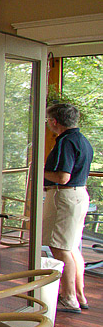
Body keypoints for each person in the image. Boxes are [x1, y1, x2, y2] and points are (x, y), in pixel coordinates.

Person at [43, 102, 94, 313]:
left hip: (64, 196)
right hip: (80, 194)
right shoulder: (83, 141)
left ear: (55, 121)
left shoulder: (65, 141)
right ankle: (79, 295)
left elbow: (63, 177)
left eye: (48, 120)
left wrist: (39, 171)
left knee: (60, 248)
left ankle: (69, 297)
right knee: (72, 247)